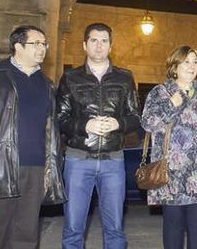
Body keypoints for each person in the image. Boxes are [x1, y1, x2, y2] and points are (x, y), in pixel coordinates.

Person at [0, 25, 65, 248]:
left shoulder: (47, 85)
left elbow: (51, 128)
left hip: (36, 170)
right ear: (17, 46)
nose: (42, 49)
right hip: (0, 166)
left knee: (26, 236)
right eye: (36, 43)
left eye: (44, 44)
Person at [56, 22, 141, 249]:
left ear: (111, 45)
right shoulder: (70, 78)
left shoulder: (124, 78)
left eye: (104, 41)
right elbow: (59, 119)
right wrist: (86, 125)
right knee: (73, 228)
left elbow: (135, 117)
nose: (99, 45)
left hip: (113, 161)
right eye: (93, 40)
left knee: (114, 229)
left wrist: (118, 122)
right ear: (84, 45)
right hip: (77, 160)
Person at [142, 45, 197, 249]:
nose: (192, 66)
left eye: (195, 62)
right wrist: (171, 105)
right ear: (174, 66)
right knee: (173, 230)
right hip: (171, 175)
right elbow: (148, 123)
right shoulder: (161, 92)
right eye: (187, 62)